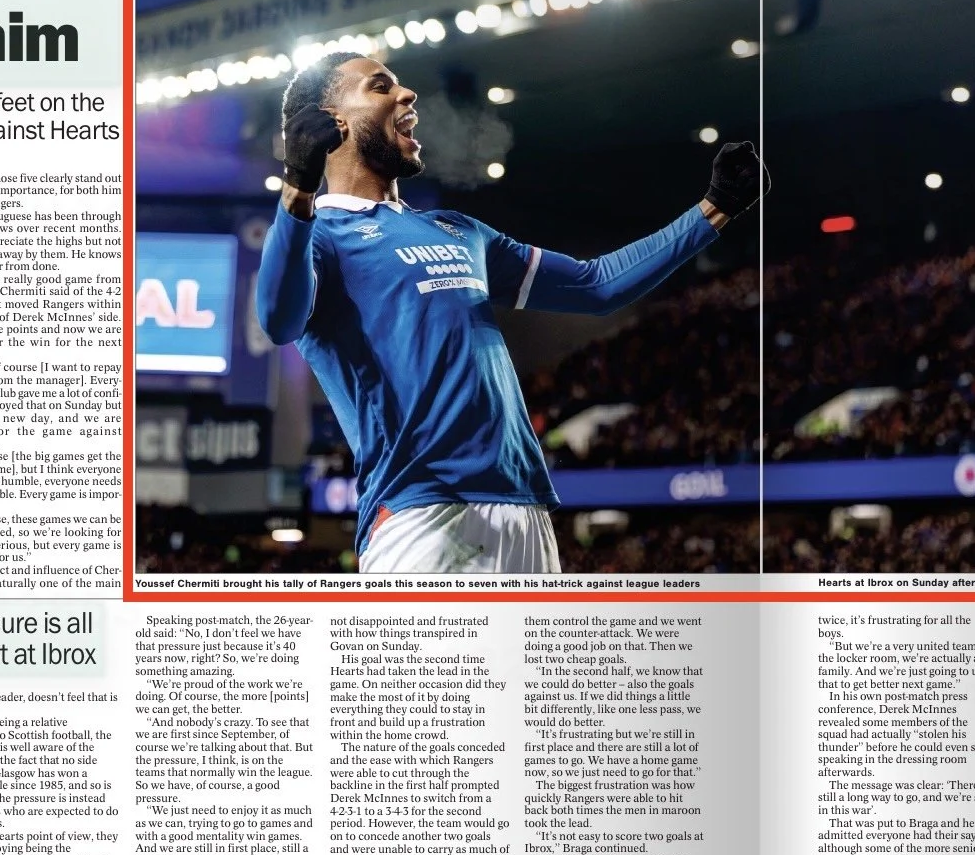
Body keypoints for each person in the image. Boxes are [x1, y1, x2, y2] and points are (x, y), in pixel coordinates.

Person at [253, 51, 762, 574]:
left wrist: (716, 207)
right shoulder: (318, 237)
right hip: (422, 513)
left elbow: (596, 286)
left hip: (525, 508)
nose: (407, 94)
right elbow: (278, 319)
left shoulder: (458, 230)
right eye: (380, 87)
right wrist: (297, 189)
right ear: (330, 122)